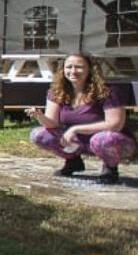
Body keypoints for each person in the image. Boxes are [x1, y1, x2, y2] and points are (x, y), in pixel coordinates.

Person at [27, 53, 135, 184]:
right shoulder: (56, 92)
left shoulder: (108, 92)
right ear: (62, 70)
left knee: (103, 138)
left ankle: (110, 168)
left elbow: (115, 124)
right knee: (38, 134)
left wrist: (76, 129)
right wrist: (40, 115)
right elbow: (52, 123)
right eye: (69, 67)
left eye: (79, 67)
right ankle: (73, 161)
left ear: (90, 70)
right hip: (78, 142)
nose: (73, 71)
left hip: (114, 143)